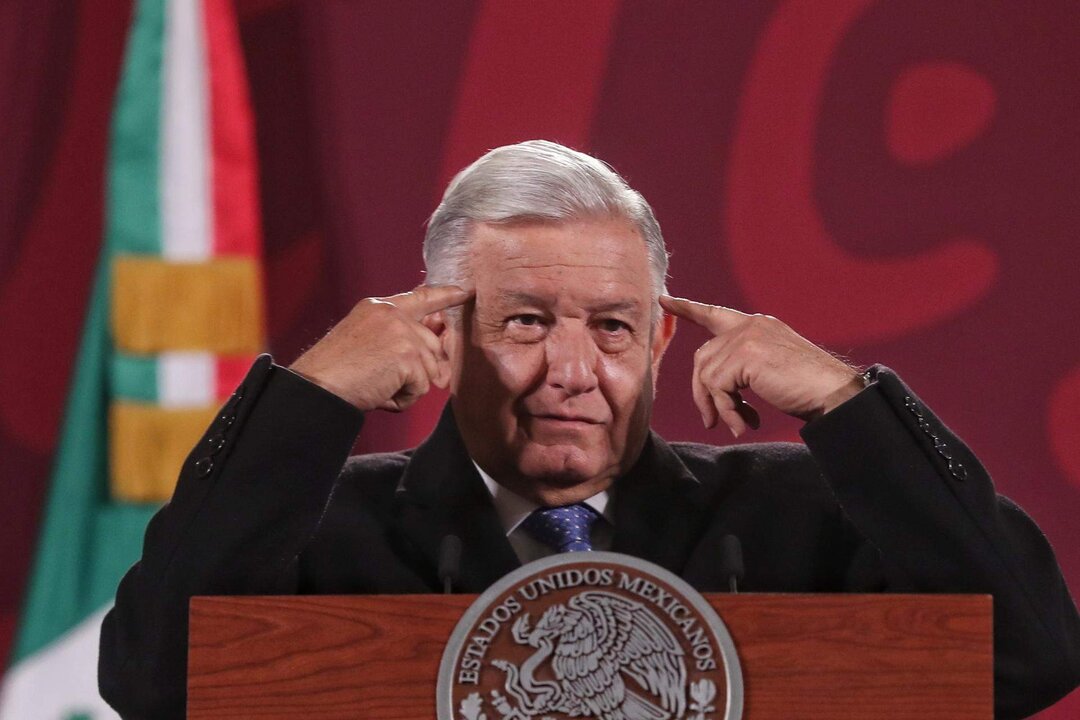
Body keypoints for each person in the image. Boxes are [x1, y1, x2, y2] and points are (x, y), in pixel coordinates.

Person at [99, 140, 1080, 718]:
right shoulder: (324, 533)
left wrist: (847, 403)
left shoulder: (799, 514)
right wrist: (308, 402)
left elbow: (1031, 653)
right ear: (444, 331)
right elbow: (155, 681)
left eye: (612, 328)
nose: (573, 371)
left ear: (658, 339)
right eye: (525, 322)